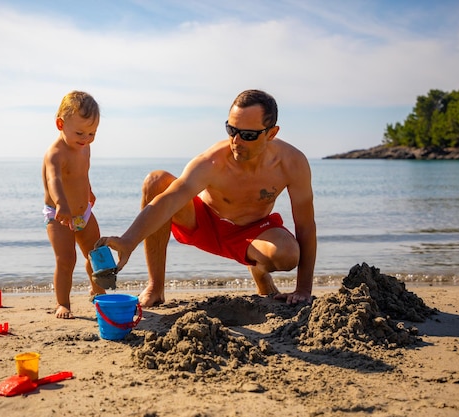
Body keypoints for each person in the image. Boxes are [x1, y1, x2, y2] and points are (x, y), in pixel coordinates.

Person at [97, 89, 317, 307]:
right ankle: (155, 287)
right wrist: (128, 240)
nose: (236, 141)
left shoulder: (292, 163)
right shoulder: (212, 162)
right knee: (156, 181)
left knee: (287, 255)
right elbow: (169, 200)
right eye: (231, 130)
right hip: (203, 224)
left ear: (271, 134)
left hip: (252, 233)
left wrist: (303, 289)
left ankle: (259, 272)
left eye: (248, 135)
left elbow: (305, 225)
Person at [42, 91, 106, 319]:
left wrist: (88, 191)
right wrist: (61, 204)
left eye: (92, 133)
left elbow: (82, 173)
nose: (86, 138)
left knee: (97, 253)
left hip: (84, 213)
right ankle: (63, 304)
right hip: (59, 215)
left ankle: (98, 292)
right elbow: (54, 180)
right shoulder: (56, 154)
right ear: (60, 124)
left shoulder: (84, 147)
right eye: (80, 132)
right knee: (66, 259)